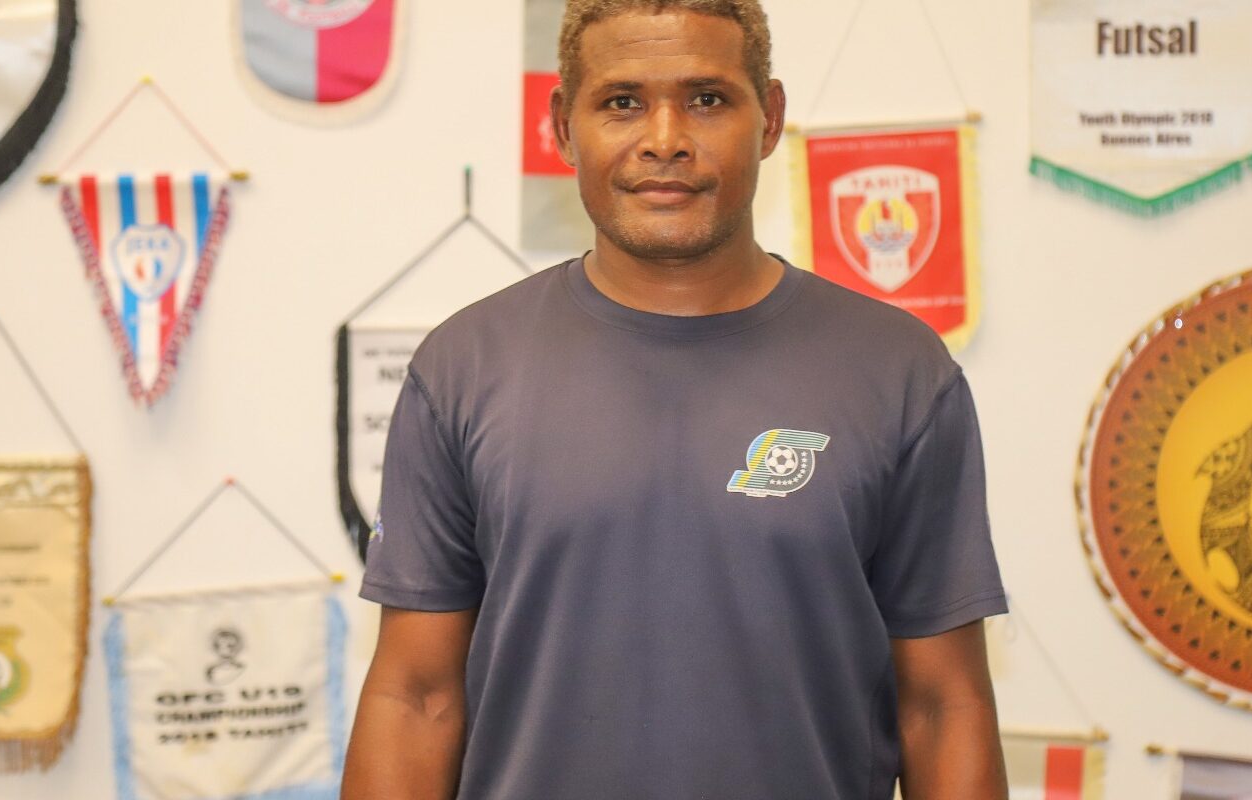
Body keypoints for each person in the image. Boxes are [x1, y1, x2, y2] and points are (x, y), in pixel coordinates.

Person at [342, 1, 1008, 797]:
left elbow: (942, 705)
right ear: (563, 127)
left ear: (770, 119)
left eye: (708, 99)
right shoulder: (462, 368)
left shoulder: (899, 372)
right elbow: (415, 698)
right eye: (622, 101)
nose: (665, 139)